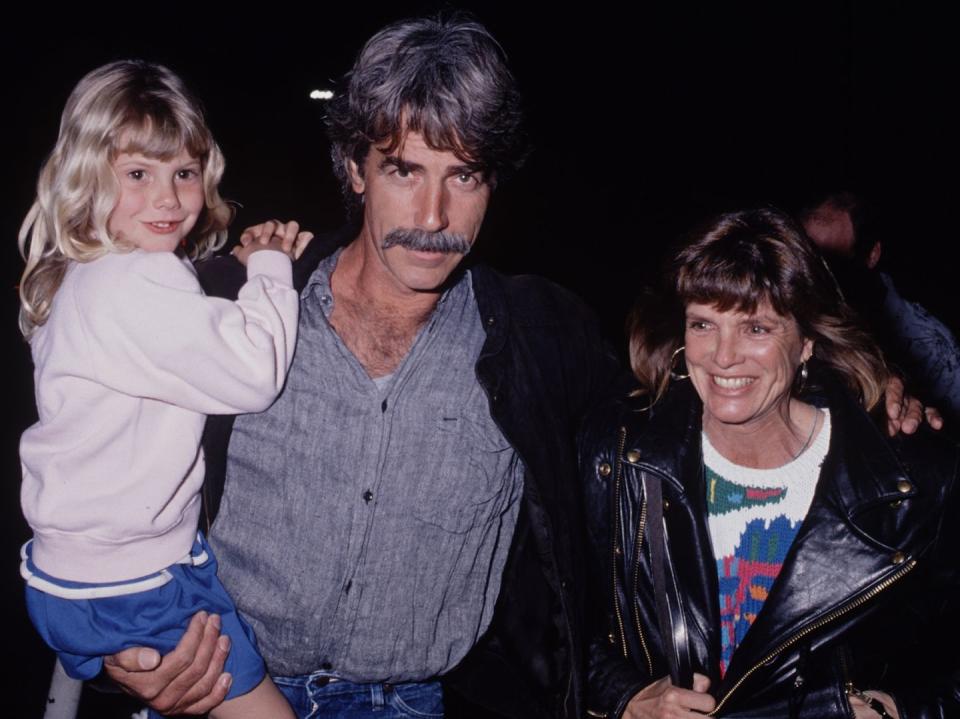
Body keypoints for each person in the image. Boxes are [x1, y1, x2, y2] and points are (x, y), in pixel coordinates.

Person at [99, 18, 934, 719]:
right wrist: (117, 646)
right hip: (212, 687)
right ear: (355, 170)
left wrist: (853, 387)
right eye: (404, 170)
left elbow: (686, 418)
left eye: (464, 175)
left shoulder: (541, 338)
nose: (433, 217)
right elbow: (85, 476)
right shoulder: (221, 303)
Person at [580, 208, 959, 718]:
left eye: (756, 328)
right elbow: (549, 618)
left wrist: (902, 709)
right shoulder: (619, 453)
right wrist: (624, 696)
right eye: (703, 324)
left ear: (806, 342)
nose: (723, 356)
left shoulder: (910, 483)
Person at [17, 60, 307, 718]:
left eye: (184, 172)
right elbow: (253, 373)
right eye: (139, 174)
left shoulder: (77, 277)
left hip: (63, 579)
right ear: (87, 177)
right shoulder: (140, 281)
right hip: (137, 580)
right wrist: (269, 268)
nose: (169, 199)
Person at [799, 192, 960, 426]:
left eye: (830, 263)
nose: (811, 279)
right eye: (802, 259)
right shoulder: (774, 314)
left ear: (872, 255)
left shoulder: (929, 347)